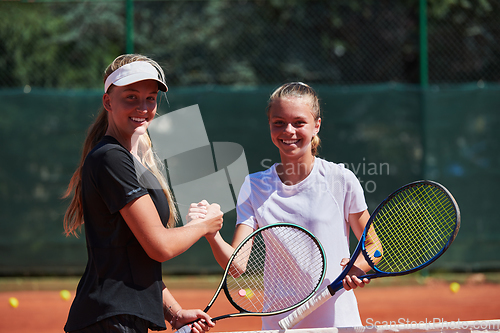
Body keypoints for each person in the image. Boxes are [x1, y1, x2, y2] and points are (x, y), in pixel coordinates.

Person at [188, 82, 373, 329]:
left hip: (337, 320)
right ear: (270, 126)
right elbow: (236, 267)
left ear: (316, 124)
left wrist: (358, 267)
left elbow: (374, 245)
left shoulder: (341, 179)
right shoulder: (253, 186)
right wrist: (211, 234)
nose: (289, 130)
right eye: (279, 122)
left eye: (299, 122)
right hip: (280, 322)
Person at [62, 54, 223, 333]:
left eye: (151, 98)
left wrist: (175, 313)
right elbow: (159, 246)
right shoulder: (111, 157)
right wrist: (203, 226)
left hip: (119, 318)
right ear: (108, 102)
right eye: (131, 97)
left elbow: (132, 261)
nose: (144, 107)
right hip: (109, 320)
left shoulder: (127, 160)